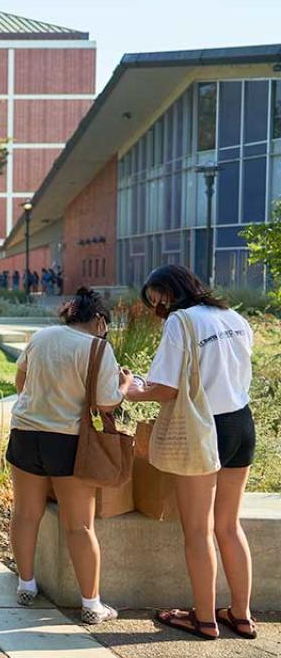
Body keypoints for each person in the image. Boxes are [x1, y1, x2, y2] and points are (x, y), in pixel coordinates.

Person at [127, 265, 257, 640]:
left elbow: (165, 389)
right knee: (229, 525)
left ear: (173, 292)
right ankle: (241, 615)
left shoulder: (181, 322)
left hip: (204, 428)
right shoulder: (233, 316)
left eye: (158, 300)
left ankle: (203, 619)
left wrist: (131, 389)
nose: (158, 310)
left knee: (198, 531)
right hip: (240, 424)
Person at [6, 287, 128, 625]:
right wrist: (125, 387)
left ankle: (26, 584)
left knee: (26, 513)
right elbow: (106, 403)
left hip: (25, 433)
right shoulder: (98, 348)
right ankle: (91, 604)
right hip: (69, 442)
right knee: (79, 525)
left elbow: (21, 380)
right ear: (100, 320)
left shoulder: (41, 336)